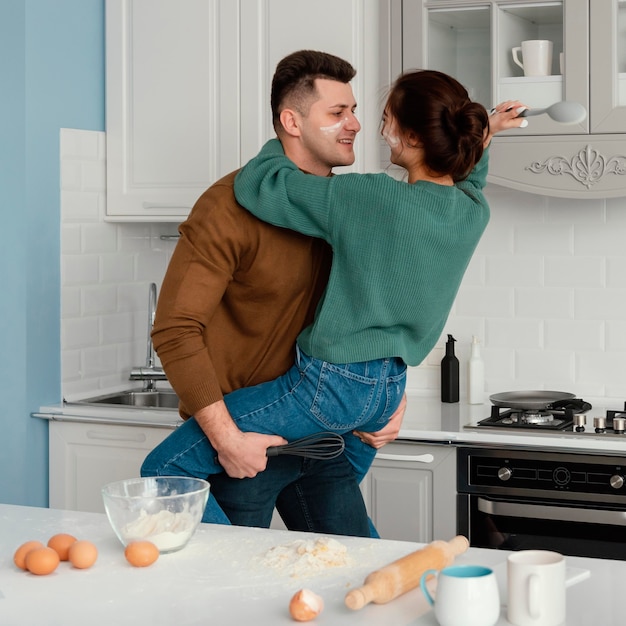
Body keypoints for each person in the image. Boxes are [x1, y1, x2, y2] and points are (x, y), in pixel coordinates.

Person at [142, 50, 404, 536]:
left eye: (353, 110)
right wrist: (227, 440)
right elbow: (176, 328)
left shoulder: (347, 208)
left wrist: (393, 398)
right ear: (292, 121)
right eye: (337, 112)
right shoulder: (228, 205)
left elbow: (391, 305)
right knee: (236, 592)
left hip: (325, 440)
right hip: (247, 447)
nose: (356, 124)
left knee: (353, 580)